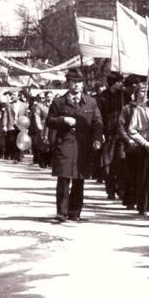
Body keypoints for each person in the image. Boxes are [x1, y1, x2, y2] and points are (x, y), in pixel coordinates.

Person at [45, 69, 103, 223]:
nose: (77, 86)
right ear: (68, 83)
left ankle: (74, 212)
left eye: (79, 82)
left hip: (83, 146)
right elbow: (49, 121)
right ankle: (61, 212)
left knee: (79, 179)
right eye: (73, 82)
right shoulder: (59, 102)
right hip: (64, 144)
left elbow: (97, 122)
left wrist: (97, 139)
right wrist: (63, 119)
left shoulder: (91, 102)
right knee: (63, 179)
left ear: (82, 84)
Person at [120, 83, 149, 215]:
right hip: (144, 146)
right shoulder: (139, 109)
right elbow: (131, 129)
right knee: (144, 176)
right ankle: (143, 204)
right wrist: (143, 142)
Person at [96, 73, 126, 199]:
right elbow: (99, 116)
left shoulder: (124, 96)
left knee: (121, 160)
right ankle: (110, 189)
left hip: (122, 132)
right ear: (113, 82)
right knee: (108, 161)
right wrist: (101, 132)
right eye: (119, 82)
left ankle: (120, 188)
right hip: (108, 132)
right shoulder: (102, 97)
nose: (121, 84)